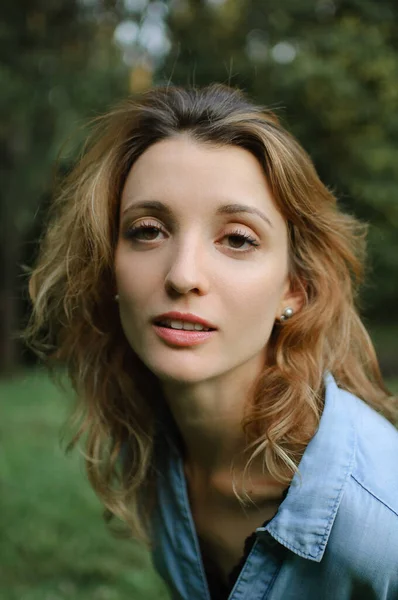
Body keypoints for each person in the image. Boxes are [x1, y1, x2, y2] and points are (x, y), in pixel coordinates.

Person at [25, 83, 398, 600]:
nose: (183, 275)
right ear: (108, 266)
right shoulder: (156, 446)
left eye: (238, 238)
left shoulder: (382, 525)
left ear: (294, 287)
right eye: (148, 230)